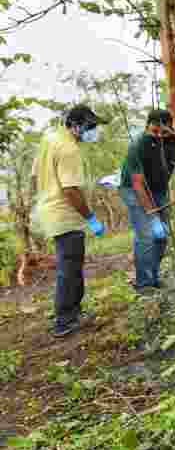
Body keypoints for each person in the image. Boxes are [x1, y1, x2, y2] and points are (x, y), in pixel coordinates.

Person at [30, 104, 108, 338]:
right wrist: (91, 217)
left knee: (71, 265)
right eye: (91, 127)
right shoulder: (69, 149)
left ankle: (74, 312)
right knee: (69, 268)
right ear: (76, 126)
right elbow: (71, 190)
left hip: (50, 210)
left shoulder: (50, 138)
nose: (94, 132)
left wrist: (44, 199)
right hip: (64, 215)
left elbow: (35, 175)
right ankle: (65, 320)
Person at [119, 109, 175, 294]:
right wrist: (152, 216)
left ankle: (153, 276)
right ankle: (144, 284)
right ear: (149, 126)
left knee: (162, 237)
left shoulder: (172, 141)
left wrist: (174, 136)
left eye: (164, 131)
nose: (159, 135)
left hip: (159, 189)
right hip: (134, 190)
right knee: (147, 236)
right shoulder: (138, 145)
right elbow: (137, 184)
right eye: (155, 131)